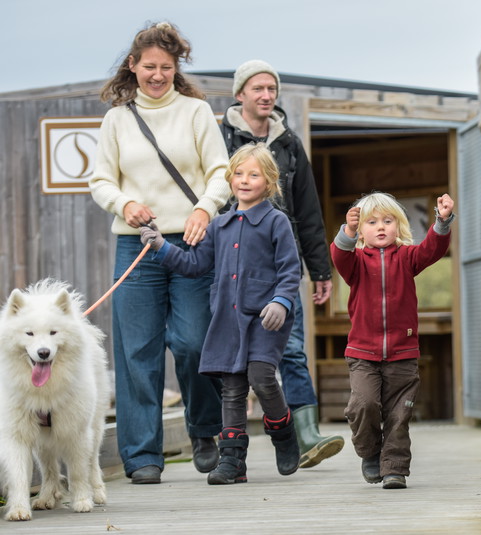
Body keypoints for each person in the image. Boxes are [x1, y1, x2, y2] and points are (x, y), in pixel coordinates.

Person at [89, 21, 227, 485]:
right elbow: (101, 179)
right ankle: (142, 455)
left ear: (176, 69)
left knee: (193, 343)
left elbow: (221, 173)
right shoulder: (116, 119)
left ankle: (204, 429)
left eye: (166, 67)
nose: (157, 75)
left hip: (189, 243)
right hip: (137, 244)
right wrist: (123, 203)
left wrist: (205, 210)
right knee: (137, 353)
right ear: (133, 66)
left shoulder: (195, 113)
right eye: (149, 66)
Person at [140, 143, 303, 484]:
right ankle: (232, 462)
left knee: (261, 377)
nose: (244, 180)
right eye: (239, 174)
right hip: (228, 320)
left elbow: (290, 271)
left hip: (266, 318)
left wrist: (282, 302)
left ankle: (284, 431)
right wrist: (162, 246)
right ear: (230, 180)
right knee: (231, 387)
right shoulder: (219, 225)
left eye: (254, 174)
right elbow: (195, 264)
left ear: (269, 182)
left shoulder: (277, 222)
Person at [221, 59, 344, 468]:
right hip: (234, 265)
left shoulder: (289, 142)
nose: (266, 95)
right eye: (257, 88)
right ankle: (221, 441)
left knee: (291, 350)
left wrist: (320, 269)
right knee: (228, 362)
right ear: (240, 94)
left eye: (271, 89)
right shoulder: (220, 138)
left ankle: (307, 434)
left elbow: (307, 210)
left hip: (282, 261)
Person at [330, 191, 455, 489]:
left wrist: (442, 220)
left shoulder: (408, 258)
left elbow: (432, 250)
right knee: (364, 404)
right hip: (363, 353)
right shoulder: (356, 262)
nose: (381, 227)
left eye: (388, 221)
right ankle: (370, 452)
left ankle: (395, 468)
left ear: (399, 226)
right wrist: (346, 231)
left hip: (403, 352)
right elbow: (338, 255)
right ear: (361, 231)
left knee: (400, 413)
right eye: (372, 222)